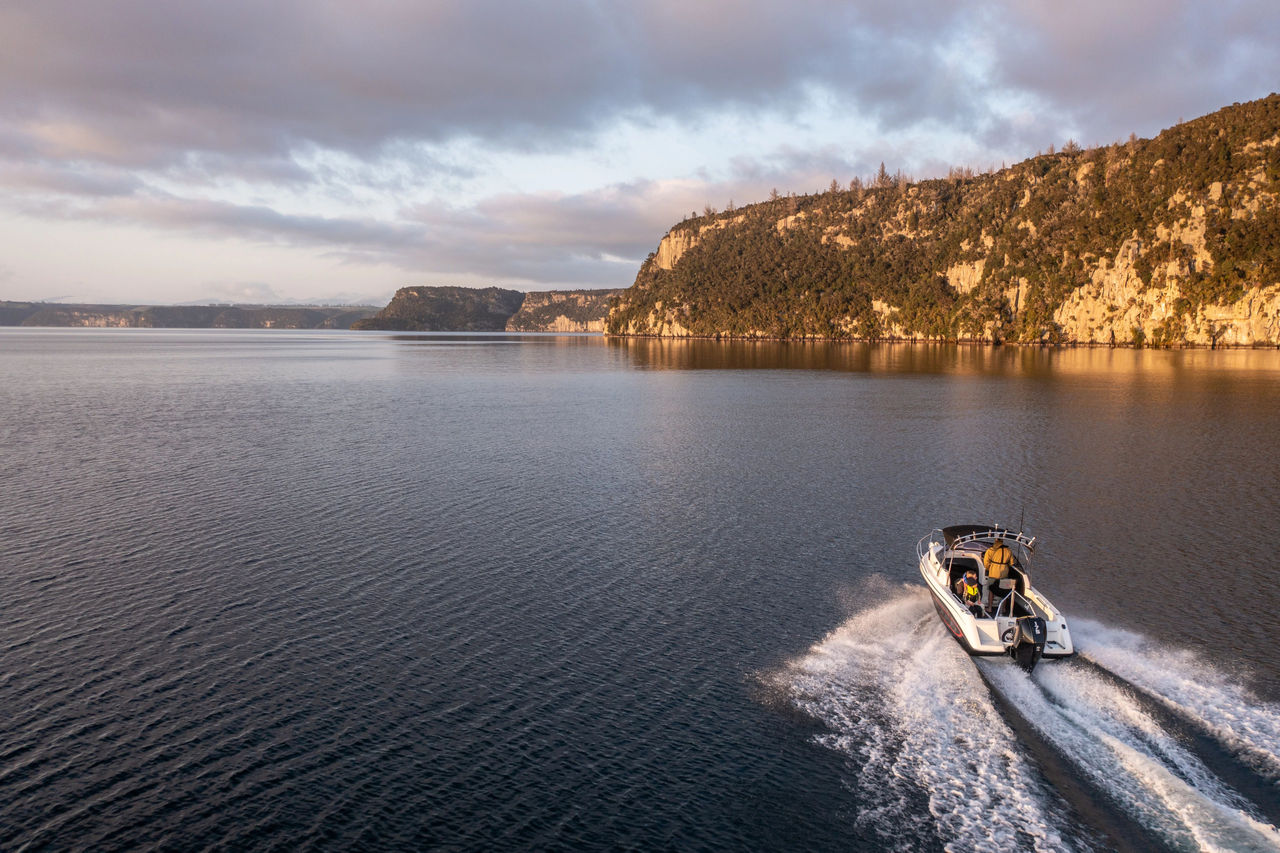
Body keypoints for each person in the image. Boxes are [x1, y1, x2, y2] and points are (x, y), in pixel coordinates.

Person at [983, 540, 1015, 610]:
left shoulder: (990, 550)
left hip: (993, 572)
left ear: (995, 541)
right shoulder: (1008, 550)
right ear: (1002, 541)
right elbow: (1012, 563)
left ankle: (990, 607)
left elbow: (986, 562)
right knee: (1004, 590)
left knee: (991, 590)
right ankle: (1003, 609)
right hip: (1004, 572)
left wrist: (989, 568)